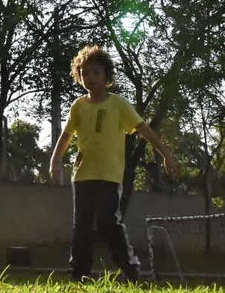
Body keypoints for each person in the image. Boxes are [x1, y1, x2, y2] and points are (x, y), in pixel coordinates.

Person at [49, 45, 178, 281]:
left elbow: (143, 128)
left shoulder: (118, 104)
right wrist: (55, 160)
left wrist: (164, 153)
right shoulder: (78, 106)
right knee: (82, 227)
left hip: (109, 175)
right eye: (85, 73)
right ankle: (80, 274)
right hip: (83, 175)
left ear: (107, 76)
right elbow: (66, 135)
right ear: (80, 76)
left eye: (96, 72)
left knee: (109, 222)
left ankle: (130, 268)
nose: (91, 78)